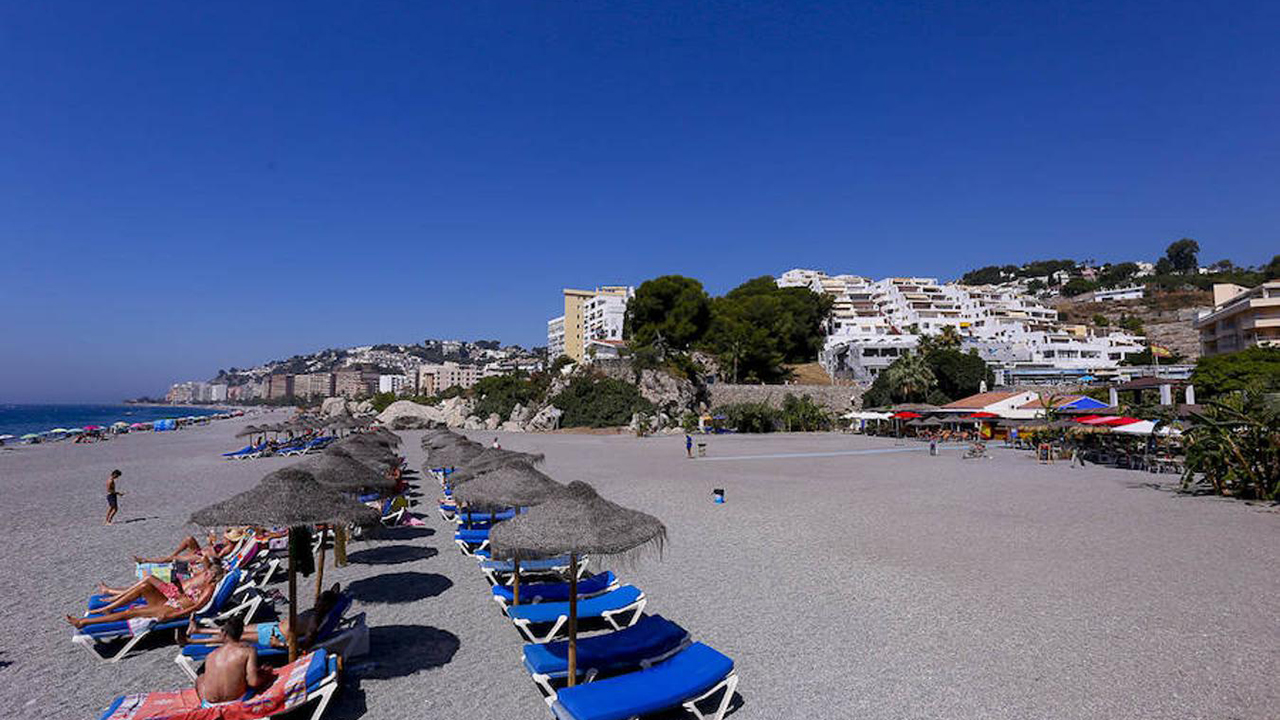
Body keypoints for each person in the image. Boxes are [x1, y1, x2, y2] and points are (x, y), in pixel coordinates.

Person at [186, 584, 343, 651]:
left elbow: (305, 646)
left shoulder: (314, 623)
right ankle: (198, 629)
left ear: (327, 606)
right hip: (273, 627)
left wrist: (281, 646)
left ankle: (192, 640)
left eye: (321, 601)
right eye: (319, 599)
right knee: (233, 628)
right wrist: (335, 595)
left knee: (233, 636)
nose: (317, 602)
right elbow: (335, 589)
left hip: (276, 636)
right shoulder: (316, 611)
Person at [66, 564, 224, 630]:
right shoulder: (203, 584)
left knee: (130, 613)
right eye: (207, 571)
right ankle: (109, 607)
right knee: (144, 586)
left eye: (208, 573)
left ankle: (83, 622)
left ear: (213, 577)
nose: (205, 574)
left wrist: (171, 615)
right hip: (171, 602)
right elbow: (186, 596)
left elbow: (195, 608)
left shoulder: (209, 589)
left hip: (171, 609)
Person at [195, 616, 275, 706]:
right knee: (259, 673)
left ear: (224, 633)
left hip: (209, 705)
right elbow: (253, 682)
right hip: (236, 701)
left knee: (200, 679)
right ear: (241, 633)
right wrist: (265, 674)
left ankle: (202, 705)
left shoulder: (211, 655)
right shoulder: (248, 651)